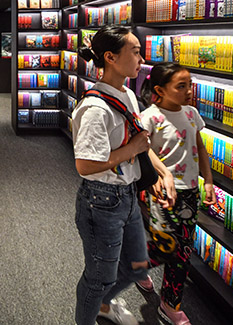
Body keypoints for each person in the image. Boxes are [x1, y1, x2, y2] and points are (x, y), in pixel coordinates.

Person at [72, 25, 175, 325]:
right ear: (111, 57)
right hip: (102, 201)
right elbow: (85, 165)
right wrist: (131, 150)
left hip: (128, 195)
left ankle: (103, 305)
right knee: (99, 277)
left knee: (136, 266)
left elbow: (140, 141)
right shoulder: (95, 108)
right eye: (135, 52)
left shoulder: (127, 94)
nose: (142, 59)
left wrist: (161, 172)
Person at [136, 62, 216, 325]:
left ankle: (170, 304)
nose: (189, 91)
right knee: (166, 247)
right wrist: (156, 176)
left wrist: (208, 181)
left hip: (190, 192)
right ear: (160, 90)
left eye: (189, 85)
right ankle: (135, 265)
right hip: (163, 192)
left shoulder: (192, 114)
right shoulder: (150, 117)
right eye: (181, 86)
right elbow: (143, 149)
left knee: (182, 251)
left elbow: (200, 148)